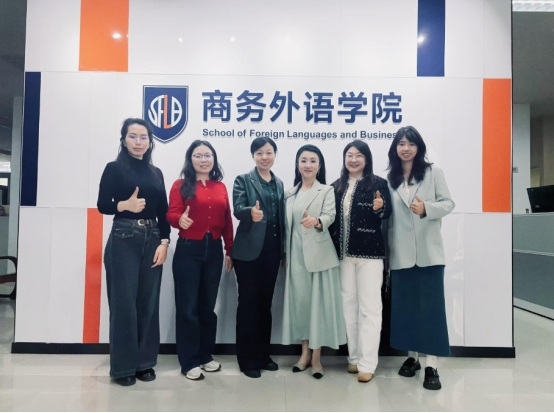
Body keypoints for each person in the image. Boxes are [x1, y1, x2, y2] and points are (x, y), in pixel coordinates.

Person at [97, 118, 170, 386]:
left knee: (148, 302)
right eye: (133, 136)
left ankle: (144, 363)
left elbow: (163, 211)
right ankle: (123, 368)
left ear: (150, 142)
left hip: (153, 238)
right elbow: (102, 204)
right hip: (124, 237)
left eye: (143, 137)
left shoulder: (156, 172)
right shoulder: (114, 168)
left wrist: (164, 242)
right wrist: (124, 205)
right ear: (124, 139)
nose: (138, 142)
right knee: (124, 304)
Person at [386, 126, 455, 391]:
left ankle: (431, 364)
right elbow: (388, 218)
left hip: (429, 253)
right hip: (401, 254)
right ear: (395, 148)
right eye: (401, 144)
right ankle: (412, 358)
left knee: (431, 311)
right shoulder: (390, 179)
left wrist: (427, 207)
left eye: (411, 144)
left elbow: (448, 203)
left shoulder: (433, 173)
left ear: (419, 147)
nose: (406, 148)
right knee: (406, 310)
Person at [166, 140, 233, 381]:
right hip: (188, 250)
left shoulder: (220, 186)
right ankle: (189, 361)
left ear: (213, 159)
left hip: (213, 249)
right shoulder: (180, 185)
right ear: (190, 159)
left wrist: (229, 249)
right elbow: (171, 213)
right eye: (198, 155)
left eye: (207, 155)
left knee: (207, 306)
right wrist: (179, 220)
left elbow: (227, 219)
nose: (203, 160)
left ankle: (205, 356)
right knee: (188, 308)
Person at [282, 144, 346, 380]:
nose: (307, 165)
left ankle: (317, 358)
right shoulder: (289, 193)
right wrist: (284, 256)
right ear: (297, 164)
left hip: (319, 257)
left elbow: (330, 216)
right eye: (303, 160)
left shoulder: (326, 190)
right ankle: (304, 354)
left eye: (312, 161)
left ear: (319, 166)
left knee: (317, 307)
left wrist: (317, 221)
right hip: (295, 257)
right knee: (301, 306)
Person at [330, 140, 391, 383]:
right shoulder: (336, 186)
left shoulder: (378, 184)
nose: (353, 160)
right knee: (348, 308)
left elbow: (387, 212)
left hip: (370, 256)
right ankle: (354, 358)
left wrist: (381, 206)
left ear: (367, 159)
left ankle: (368, 363)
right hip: (343, 257)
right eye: (349, 155)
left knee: (370, 308)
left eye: (358, 155)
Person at [231, 137, 285, 379]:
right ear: (253, 156)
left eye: (269, 152)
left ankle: (263, 355)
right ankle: (247, 359)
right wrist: (249, 213)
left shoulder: (279, 183)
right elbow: (237, 208)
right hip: (248, 252)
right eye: (260, 153)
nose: (265, 157)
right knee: (248, 305)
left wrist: (283, 252)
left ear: (275, 155)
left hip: (272, 250)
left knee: (265, 304)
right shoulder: (243, 180)